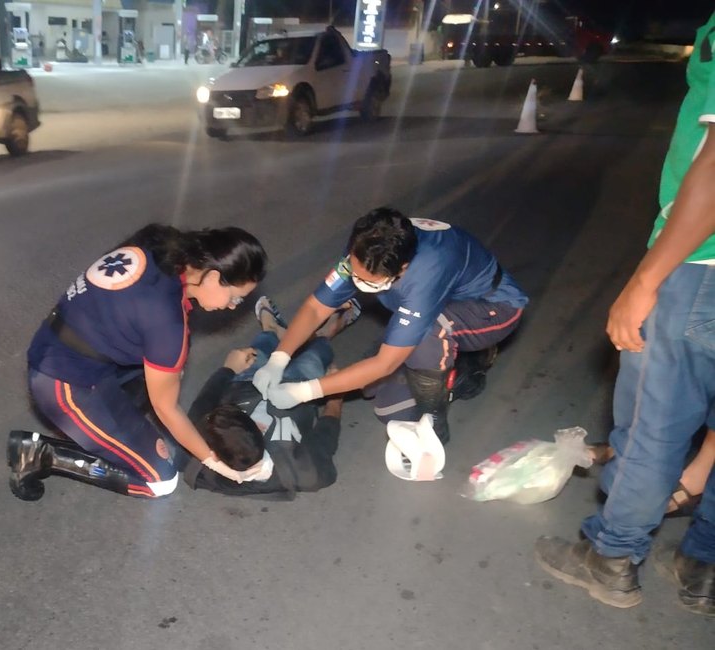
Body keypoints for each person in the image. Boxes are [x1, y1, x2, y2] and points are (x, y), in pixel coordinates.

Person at [534, 11, 715, 616]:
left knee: (651, 425)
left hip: (701, 269)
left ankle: (612, 559)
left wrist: (646, 278)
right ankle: (704, 564)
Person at [9, 224, 268, 500]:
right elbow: (166, 409)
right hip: (62, 383)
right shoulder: (167, 324)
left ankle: (101, 431)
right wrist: (212, 460)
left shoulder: (159, 243)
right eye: (235, 297)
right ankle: (43, 455)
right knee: (160, 480)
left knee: (163, 378)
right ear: (214, 276)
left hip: (55, 342)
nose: (233, 306)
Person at [254, 207, 528, 446]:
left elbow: (384, 364)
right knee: (383, 400)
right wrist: (278, 358)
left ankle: (439, 413)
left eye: (370, 282)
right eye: (354, 273)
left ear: (403, 268)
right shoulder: (367, 245)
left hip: (491, 310)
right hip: (438, 305)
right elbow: (315, 308)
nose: (358, 283)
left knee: (423, 341)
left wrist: (304, 391)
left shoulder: (426, 272)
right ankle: (450, 360)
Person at [182, 297, 359, 497]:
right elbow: (326, 436)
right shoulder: (305, 472)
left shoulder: (191, 457)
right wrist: (335, 397)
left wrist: (228, 369)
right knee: (316, 354)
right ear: (260, 428)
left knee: (259, 351)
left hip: (247, 383)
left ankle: (271, 329)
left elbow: (204, 400)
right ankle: (325, 333)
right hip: (298, 389)